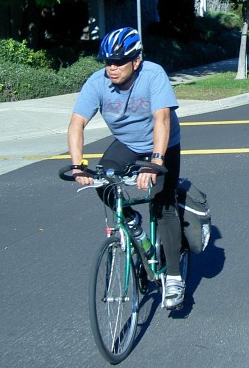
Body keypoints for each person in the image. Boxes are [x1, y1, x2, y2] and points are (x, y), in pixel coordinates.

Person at [67, 27, 186, 309]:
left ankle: (173, 277)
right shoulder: (97, 82)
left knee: (163, 203)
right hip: (127, 143)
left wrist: (156, 163)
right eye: (108, 62)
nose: (112, 68)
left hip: (162, 144)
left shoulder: (153, 75)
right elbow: (76, 124)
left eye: (119, 61)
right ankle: (132, 221)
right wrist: (77, 165)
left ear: (136, 61)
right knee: (102, 180)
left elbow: (162, 120)